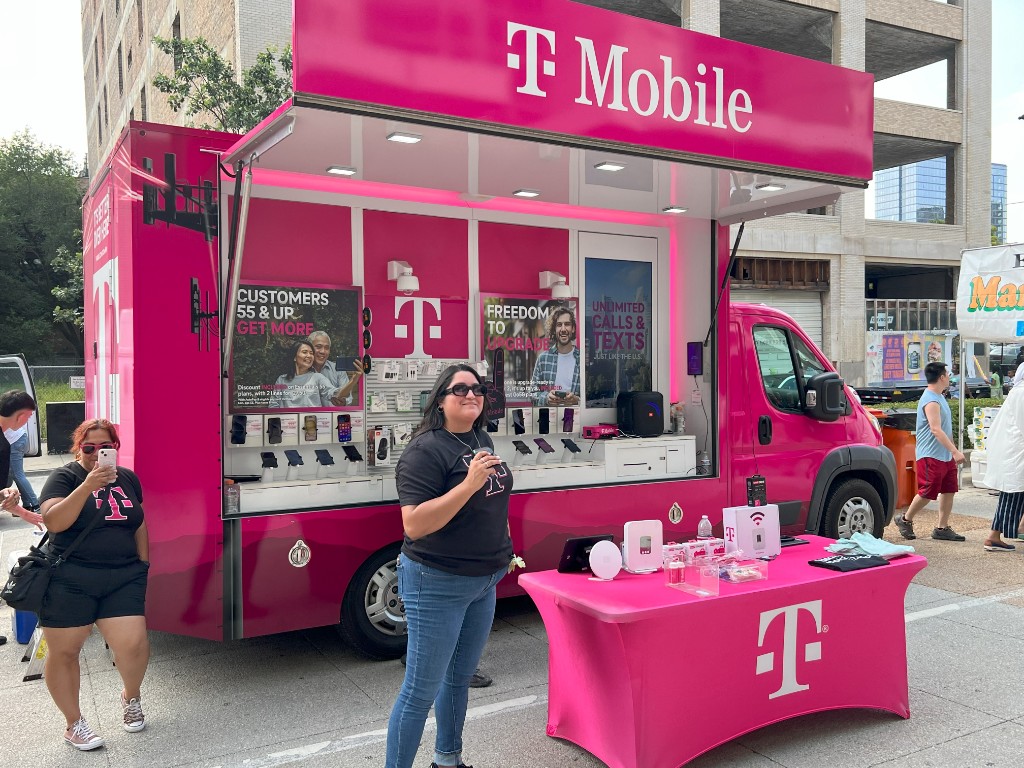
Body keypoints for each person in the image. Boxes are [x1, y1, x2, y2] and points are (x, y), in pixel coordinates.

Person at [386, 364, 513, 768]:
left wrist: (504, 547)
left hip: (484, 579)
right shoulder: (425, 450)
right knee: (419, 691)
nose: (471, 394)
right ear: (440, 400)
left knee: (458, 678)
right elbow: (415, 523)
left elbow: (493, 500)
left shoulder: (480, 437)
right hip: (436, 580)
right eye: (460, 389)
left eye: (477, 388)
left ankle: (447, 760)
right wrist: (468, 484)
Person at [38, 418, 151, 751]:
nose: (97, 453)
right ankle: (74, 723)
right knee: (65, 652)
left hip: (123, 576)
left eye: (106, 447)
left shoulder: (128, 478)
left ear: (115, 448)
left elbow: (140, 522)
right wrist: (88, 485)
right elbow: (54, 520)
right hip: (71, 578)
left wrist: (143, 564)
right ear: (79, 447)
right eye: (89, 448)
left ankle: (131, 698)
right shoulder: (64, 477)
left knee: (133, 644)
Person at [894, 362, 967, 542]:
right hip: (930, 454)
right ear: (941, 377)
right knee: (928, 491)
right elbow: (935, 429)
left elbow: (946, 429)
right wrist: (955, 452)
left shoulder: (940, 397)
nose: (949, 377)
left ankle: (942, 527)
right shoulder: (931, 400)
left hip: (944, 454)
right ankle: (905, 519)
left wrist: (953, 451)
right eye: (947, 374)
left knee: (949, 489)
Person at [979, 370, 1024, 551]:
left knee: (1013, 495)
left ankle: (996, 535)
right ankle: (994, 536)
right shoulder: (1021, 393)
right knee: (1012, 496)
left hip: (1015, 452)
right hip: (1016, 452)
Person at [0, 390, 44, 528]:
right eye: (29, 417)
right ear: (20, 416)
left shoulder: (4, 440)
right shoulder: (3, 445)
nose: (27, 421)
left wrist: (21, 512)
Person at [531, 306, 580, 406]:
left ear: (573, 328)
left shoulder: (582, 359)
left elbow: (595, 397)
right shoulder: (543, 359)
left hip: (578, 419)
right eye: (559, 325)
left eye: (567, 324)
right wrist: (546, 398)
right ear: (554, 329)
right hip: (550, 419)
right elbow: (532, 394)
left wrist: (577, 400)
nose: (563, 329)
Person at [268, 340, 338, 408]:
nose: (309, 356)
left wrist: (347, 386)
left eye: (311, 353)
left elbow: (333, 392)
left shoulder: (317, 378)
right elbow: (273, 405)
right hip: (288, 419)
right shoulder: (282, 380)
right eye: (305, 352)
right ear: (294, 357)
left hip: (311, 419)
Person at [307, 330, 364, 405]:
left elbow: (347, 398)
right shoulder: (301, 371)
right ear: (309, 348)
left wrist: (343, 402)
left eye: (327, 348)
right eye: (318, 347)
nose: (323, 351)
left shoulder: (337, 370)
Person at [6, 421, 41, 512]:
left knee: (17, 474)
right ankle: (27, 505)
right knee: (15, 474)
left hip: (14, 441)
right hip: (17, 438)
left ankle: (36, 504)